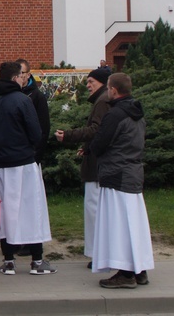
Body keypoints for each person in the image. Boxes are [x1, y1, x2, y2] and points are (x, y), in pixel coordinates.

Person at [0, 61, 55, 276]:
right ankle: (36, 261)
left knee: (4, 212)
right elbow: (36, 133)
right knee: (31, 211)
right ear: (16, 78)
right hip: (23, 164)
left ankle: (8, 261)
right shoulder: (22, 101)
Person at [90, 73, 154, 289]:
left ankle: (125, 273)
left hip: (116, 174)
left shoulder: (115, 114)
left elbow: (99, 144)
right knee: (134, 224)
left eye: (108, 88)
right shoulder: (137, 112)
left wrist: (90, 150)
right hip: (133, 172)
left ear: (114, 90)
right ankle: (139, 270)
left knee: (119, 226)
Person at [55, 67, 111, 267]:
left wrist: (69, 136)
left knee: (94, 210)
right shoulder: (103, 99)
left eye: (91, 82)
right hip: (98, 162)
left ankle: (99, 255)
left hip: (97, 168)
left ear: (103, 83)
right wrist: (86, 148)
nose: (88, 85)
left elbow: (97, 130)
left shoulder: (102, 101)